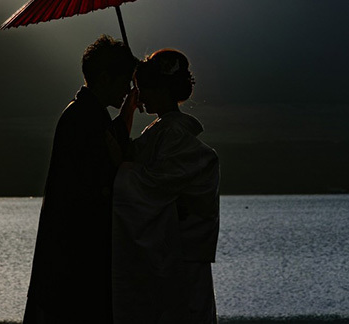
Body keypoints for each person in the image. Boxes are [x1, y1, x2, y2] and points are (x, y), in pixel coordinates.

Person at [23, 35, 138, 324]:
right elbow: (104, 170)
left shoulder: (85, 114)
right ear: (104, 78)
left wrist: (129, 109)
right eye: (125, 80)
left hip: (67, 264)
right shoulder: (83, 120)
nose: (127, 88)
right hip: (73, 267)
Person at [112, 49, 221, 324]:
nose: (140, 94)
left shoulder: (171, 134)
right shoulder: (163, 131)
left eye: (143, 87)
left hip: (178, 256)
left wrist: (122, 173)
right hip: (177, 254)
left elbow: (150, 186)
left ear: (160, 89)